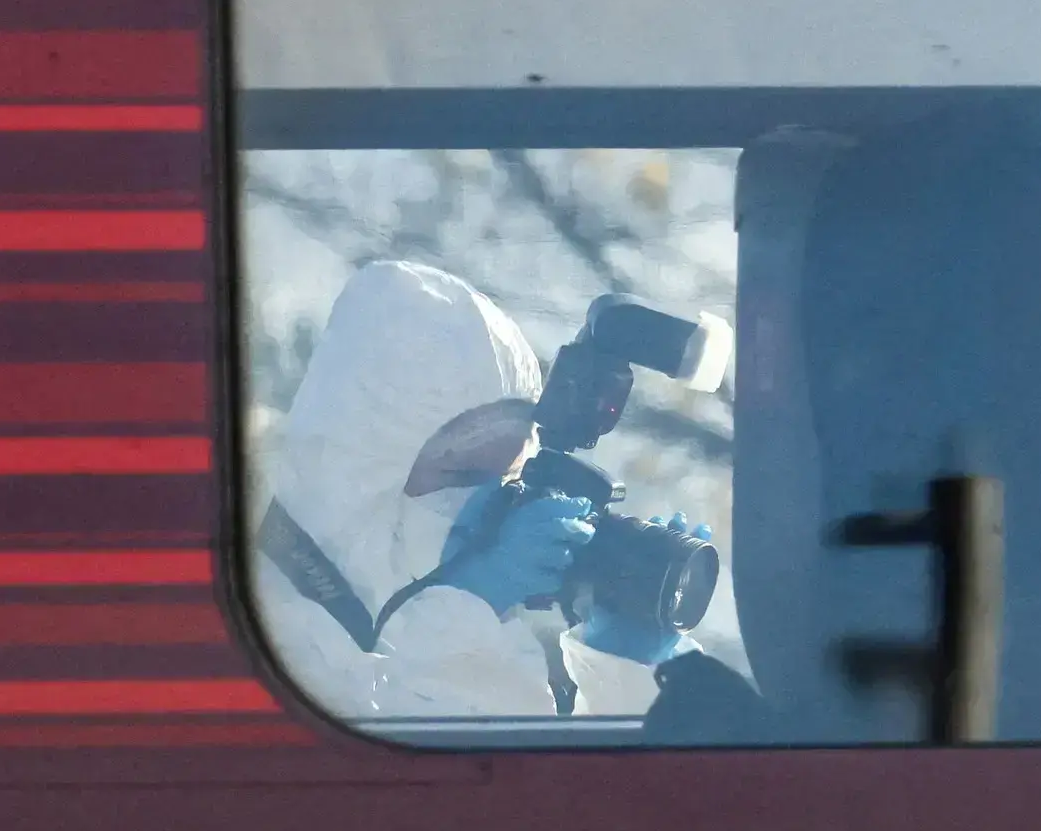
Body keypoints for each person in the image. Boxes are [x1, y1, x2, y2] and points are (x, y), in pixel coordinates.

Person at [252, 259, 743, 721]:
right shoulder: (259, 638)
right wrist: (465, 618)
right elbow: (436, 785)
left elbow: (579, 804)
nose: (493, 507)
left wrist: (634, 680)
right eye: (463, 475)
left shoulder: (448, 639)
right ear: (361, 470)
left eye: (511, 478)